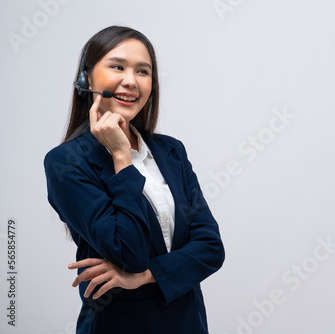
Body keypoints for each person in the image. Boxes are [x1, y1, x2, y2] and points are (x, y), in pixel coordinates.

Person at [43, 26, 225, 334]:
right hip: (120, 325)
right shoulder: (66, 163)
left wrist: (143, 275)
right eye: (117, 66)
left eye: (143, 71)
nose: (131, 81)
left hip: (187, 321)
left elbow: (210, 247)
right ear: (87, 78)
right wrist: (121, 157)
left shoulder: (171, 151)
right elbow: (130, 252)